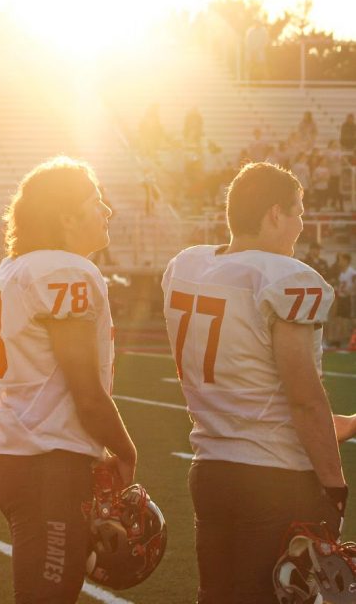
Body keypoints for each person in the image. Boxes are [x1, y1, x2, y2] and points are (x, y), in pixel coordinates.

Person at [162, 162, 348, 603]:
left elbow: (255, 397)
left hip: (211, 468)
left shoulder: (188, 265)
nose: (302, 224)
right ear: (274, 214)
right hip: (274, 482)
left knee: (218, 595)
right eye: (298, 212)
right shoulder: (285, 278)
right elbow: (303, 401)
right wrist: (335, 487)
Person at [0, 157, 136, 604]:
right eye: (96, 202)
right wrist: (125, 450)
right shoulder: (66, 271)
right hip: (47, 466)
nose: (107, 210)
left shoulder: (17, 266)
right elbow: (87, 395)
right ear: (66, 216)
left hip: (17, 457)